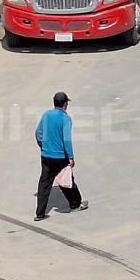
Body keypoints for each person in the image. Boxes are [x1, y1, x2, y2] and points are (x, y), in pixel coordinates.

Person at [33, 91, 87, 221]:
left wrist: (43, 147)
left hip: (46, 156)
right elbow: (66, 140)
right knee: (67, 181)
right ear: (65, 104)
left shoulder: (46, 115)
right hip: (60, 157)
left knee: (44, 184)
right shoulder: (66, 119)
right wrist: (71, 157)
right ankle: (75, 204)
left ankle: (40, 214)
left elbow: (38, 133)